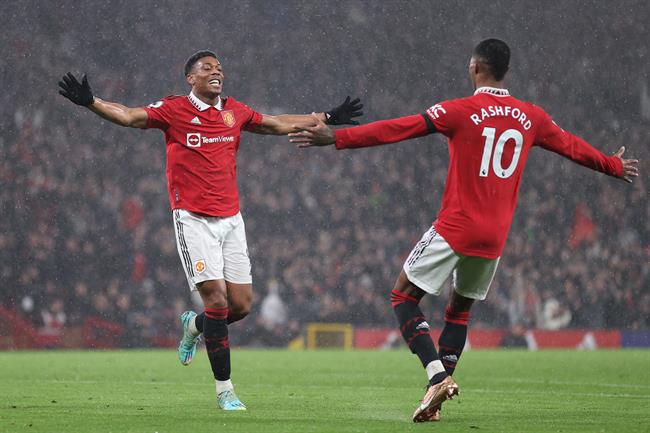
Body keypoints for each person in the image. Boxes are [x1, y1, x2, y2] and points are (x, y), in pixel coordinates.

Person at [289, 39, 639, 422]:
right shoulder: (532, 117)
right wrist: (612, 165)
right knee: (458, 312)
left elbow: (399, 128)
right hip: (495, 235)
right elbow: (571, 145)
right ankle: (434, 401)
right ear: (505, 71)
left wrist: (337, 137)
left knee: (403, 295)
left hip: (457, 225)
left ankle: (436, 376)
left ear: (475, 67)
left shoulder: (459, 110)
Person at [58, 50, 363, 411]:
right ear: (191, 78)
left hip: (231, 219)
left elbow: (277, 123)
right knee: (217, 300)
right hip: (193, 219)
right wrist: (91, 102)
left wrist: (326, 117)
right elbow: (129, 115)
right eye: (207, 68)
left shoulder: (234, 111)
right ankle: (225, 390)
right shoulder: (173, 109)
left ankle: (194, 326)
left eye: (219, 68)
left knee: (241, 306)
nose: (216, 72)